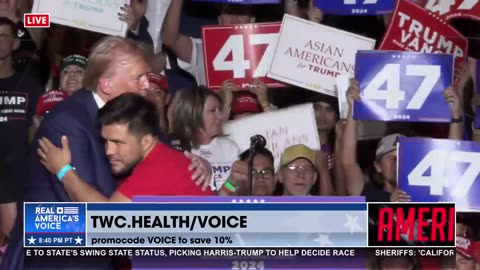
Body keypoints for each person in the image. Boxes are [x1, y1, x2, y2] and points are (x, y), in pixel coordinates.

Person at [2, 36, 210, 270]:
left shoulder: (134, 114)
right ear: (107, 85)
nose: (147, 85)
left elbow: (162, 157)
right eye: (138, 78)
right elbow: (98, 214)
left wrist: (197, 164)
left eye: (147, 76)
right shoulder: (68, 122)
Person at [37, 93, 215, 201]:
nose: (109, 151)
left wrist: (63, 170)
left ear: (146, 141)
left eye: (118, 142)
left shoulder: (157, 167)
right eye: (106, 141)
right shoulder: (163, 159)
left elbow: (107, 223)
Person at [172, 85, 240, 190]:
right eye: (213, 110)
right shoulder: (177, 150)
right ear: (193, 114)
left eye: (219, 109)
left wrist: (229, 185)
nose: (221, 116)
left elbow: (235, 190)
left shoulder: (230, 147)